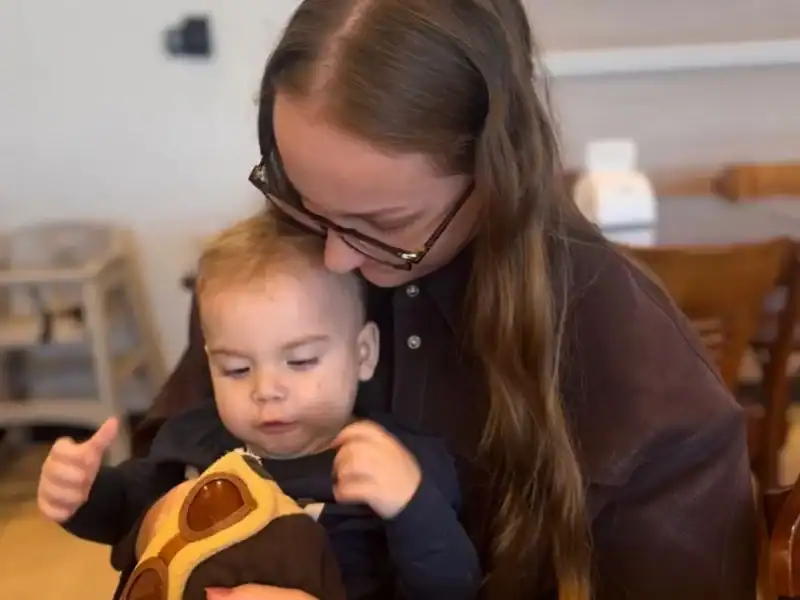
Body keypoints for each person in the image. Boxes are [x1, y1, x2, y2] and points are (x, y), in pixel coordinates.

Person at [135, 0, 757, 599]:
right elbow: (163, 473)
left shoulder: (643, 380)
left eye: (384, 224)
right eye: (303, 200)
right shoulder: (272, 277)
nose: (335, 257)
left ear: (496, 174)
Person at [36, 215, 481, 600]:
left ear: (363, 353)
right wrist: (80, 493)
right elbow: (124, 516)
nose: (266, 390)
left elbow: (451, 588)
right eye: (236, 369)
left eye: (300, 361)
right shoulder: (194, 441)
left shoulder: (398, 462)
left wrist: (412, 505)